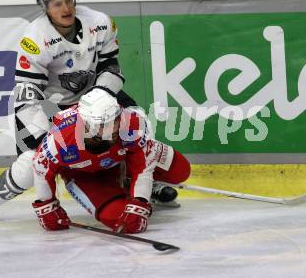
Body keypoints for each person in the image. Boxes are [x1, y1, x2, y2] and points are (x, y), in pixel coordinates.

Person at [0, 0, 178, 225]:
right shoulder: (35, 39)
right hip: (49, 105)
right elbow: (27, 92)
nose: (66, 7)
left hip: (94, 97)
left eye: (69, 0)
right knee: (31, 164)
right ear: (45, 7)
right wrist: (43, 139)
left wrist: (100, 97)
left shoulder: (100, 22)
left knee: (137, 125)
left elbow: (112, 68)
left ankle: (145, 182)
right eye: (57, 3)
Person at [32, 88, 191, 233]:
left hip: (121, 163)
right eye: (104, 124)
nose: (114, 127)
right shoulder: (60, 137)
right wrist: (47, 206)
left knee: (180, 170)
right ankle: (124, 189)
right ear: (88, 124)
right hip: (84, 175)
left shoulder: (131, 123)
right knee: (118, 217)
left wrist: (139, 202)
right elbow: (40, 169)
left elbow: (143, 167)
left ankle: (133, 184)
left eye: (116, 118)